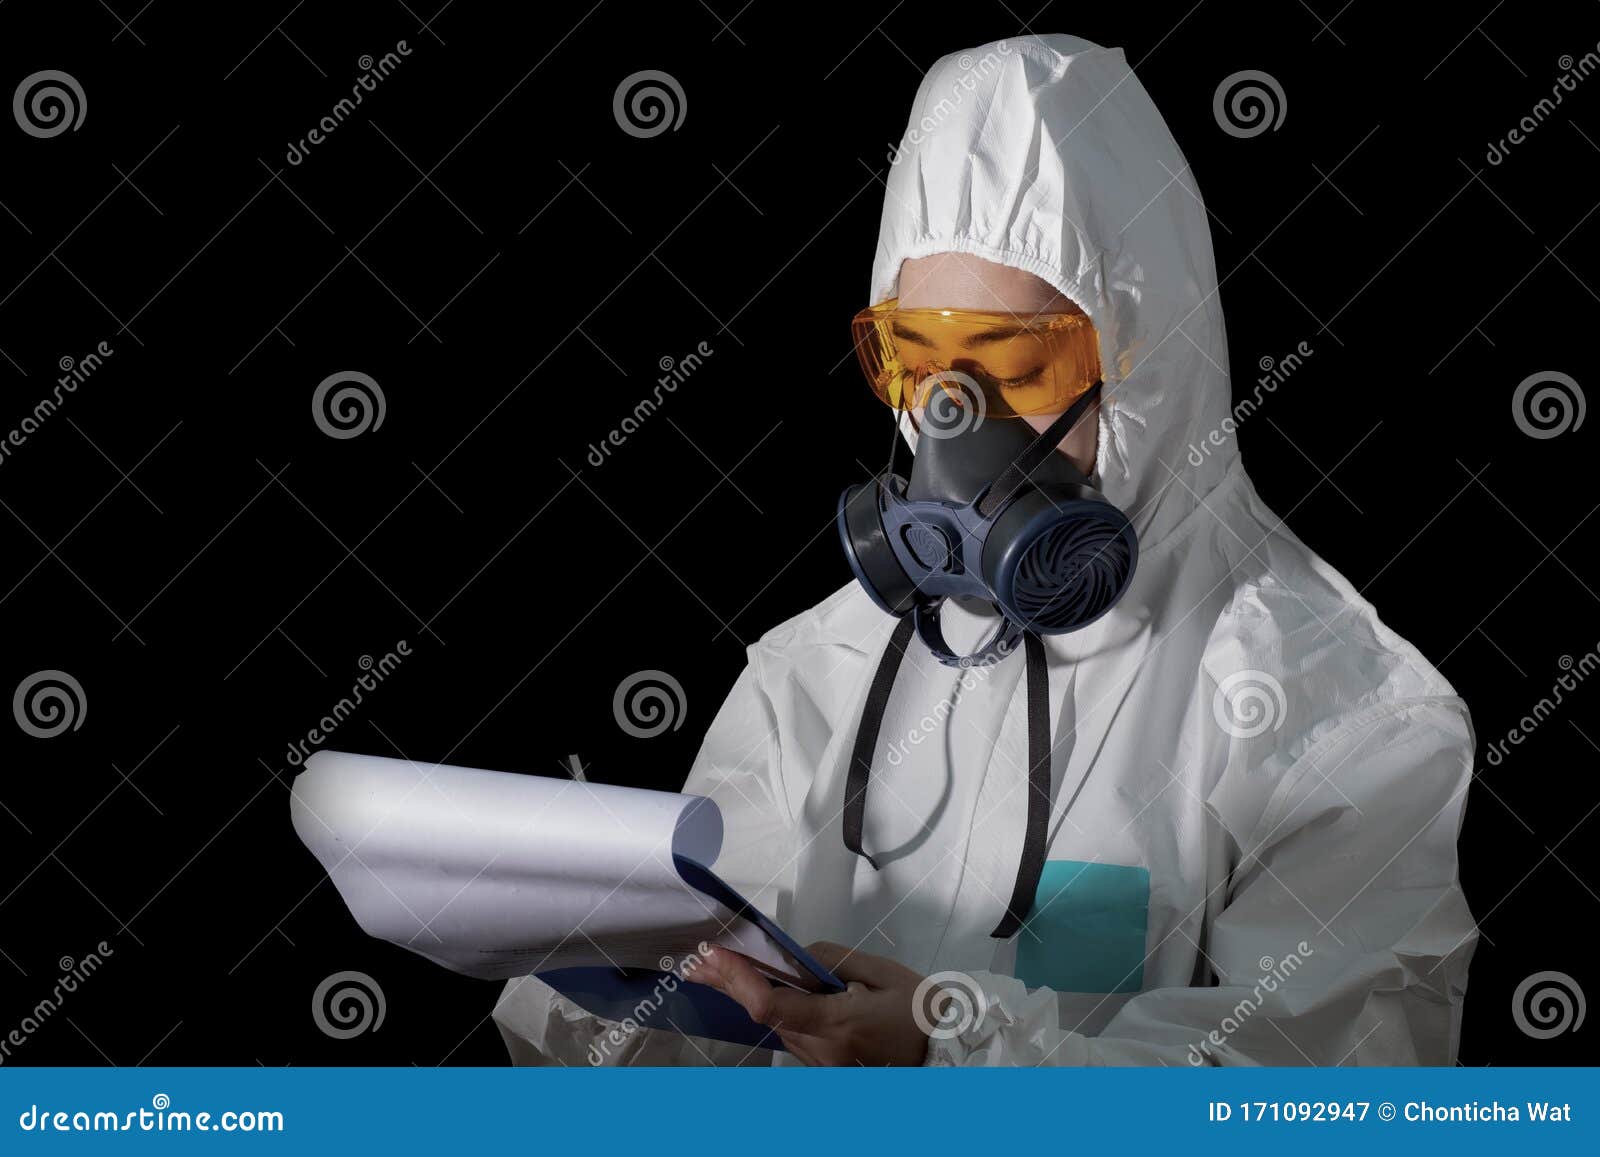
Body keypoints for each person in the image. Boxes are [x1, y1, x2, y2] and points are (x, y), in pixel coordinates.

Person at [494, 33, 1476, 1066]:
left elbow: (1330, 1093)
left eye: (1018, 363)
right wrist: (591, 976)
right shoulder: (821, 674)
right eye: (918, 358)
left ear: (1151, 359)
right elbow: (690, 1054)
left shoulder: (1338, 714)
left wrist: (953, 1054)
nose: (957, 419)